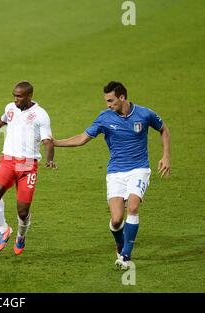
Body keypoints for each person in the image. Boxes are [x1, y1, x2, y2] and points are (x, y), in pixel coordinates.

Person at [53, 81, 171, 269]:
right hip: (115, 172)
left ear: (122, 97)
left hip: (139, 169)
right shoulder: (104, 118)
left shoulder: (144, 114)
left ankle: (125, 256)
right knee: (116, 220)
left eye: (111, 100)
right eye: (106, 101)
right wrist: (56, 143)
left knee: (132, 207)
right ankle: (120, 244)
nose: (108, 105)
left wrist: (165, 156)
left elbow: (163, 129)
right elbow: (82, 138)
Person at [0, 81, 56, 255]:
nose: (15, 99)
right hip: (8, 160)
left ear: (29, 96)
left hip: (27, 165)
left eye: (19, 96)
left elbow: (48, 141)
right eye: (14, 95)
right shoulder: (10, 108)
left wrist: (50, 159)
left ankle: (21, 236)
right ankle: (4, 228)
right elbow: (0, 122)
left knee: (23, 210)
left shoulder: (41, 115)